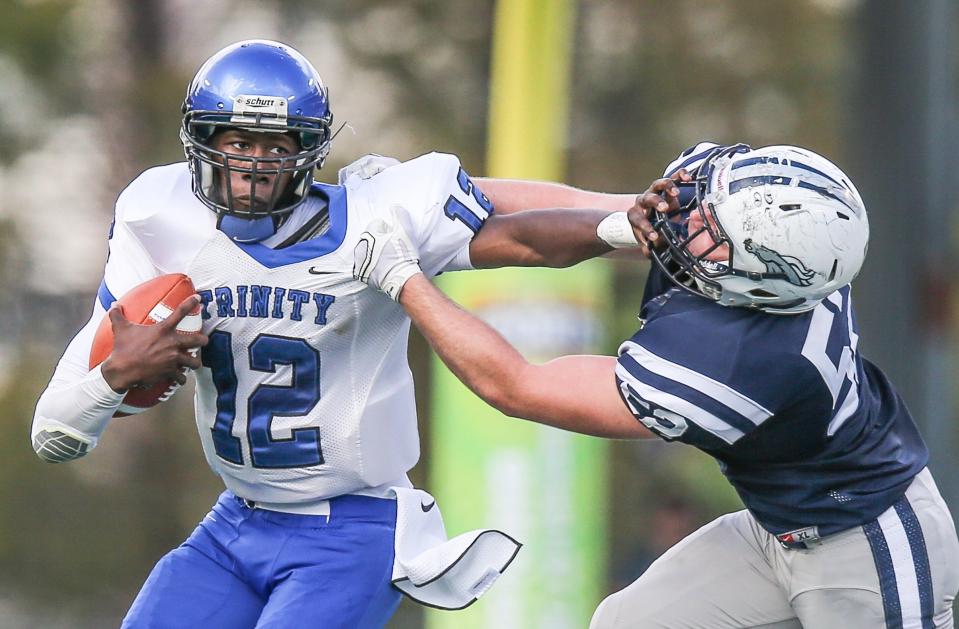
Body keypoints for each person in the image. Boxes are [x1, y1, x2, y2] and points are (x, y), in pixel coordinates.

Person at [30, 39, 652, 628]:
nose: (253, 163)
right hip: (236, 523)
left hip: (352, 528)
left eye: (275, 147)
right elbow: (54, 435)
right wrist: (114, 376)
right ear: (202, 140)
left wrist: (631, 224)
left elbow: (520, 234)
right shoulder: (157, 216)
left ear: (307, 150)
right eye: (239, 141)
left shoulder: (376, 218)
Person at [355, 141, 959, 628]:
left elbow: (516, 386)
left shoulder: (745, 363)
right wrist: (424, 202)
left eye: (712, 234)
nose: (689, 219)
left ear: (762, 286)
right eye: (706, 205)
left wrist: (404, 277)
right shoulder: (766, 231)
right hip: (777, 525)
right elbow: (586, 206)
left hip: (870, 544)